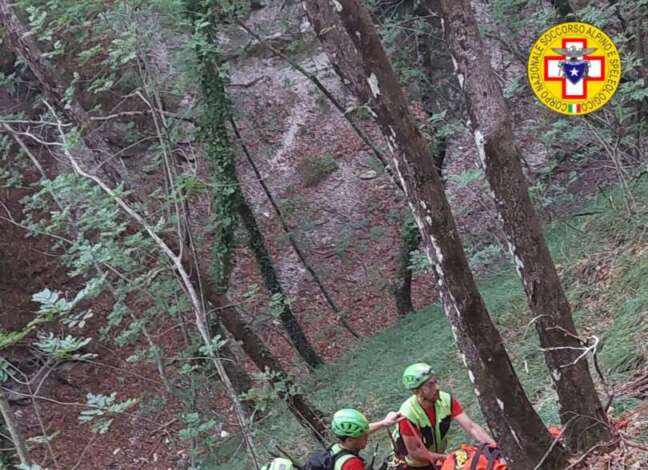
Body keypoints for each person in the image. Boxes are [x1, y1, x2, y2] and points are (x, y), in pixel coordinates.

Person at [393, 363, 495, 469]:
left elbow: (472, 427)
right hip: (415, 465)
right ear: (417, 391)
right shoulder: (407, 415)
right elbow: (415, 453)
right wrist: (449, 458)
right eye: (430, 385)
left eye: (436, 382)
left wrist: (495, 447)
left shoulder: (446, 400)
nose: (437, 387)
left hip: (438, 459)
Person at [328, 408, 402, 470]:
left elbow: (364, 430)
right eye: (364, 436)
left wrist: (383, 423)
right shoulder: (352, 465)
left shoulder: (335, 449)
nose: (368, 437)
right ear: (349, 440)